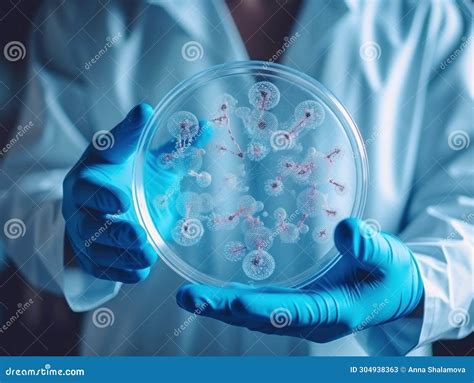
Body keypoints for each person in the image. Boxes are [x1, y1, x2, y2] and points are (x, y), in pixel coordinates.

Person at [0, 0, 472, 356]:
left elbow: (465, 207)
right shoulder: (87, 14)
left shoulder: (434, 16)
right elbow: (24, 188)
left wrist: (421, 285)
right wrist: (78, 234)